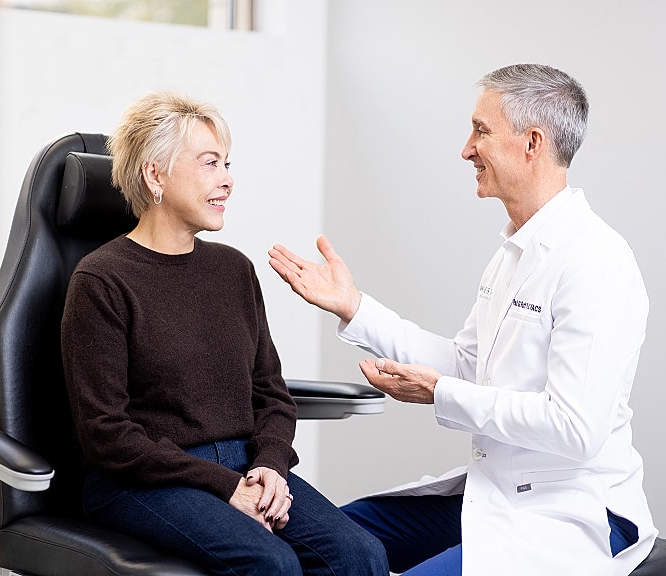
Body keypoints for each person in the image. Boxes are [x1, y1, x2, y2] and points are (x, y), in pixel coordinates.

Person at [268, 64, 657, 575]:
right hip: (499, 492)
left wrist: (441, 393)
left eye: (481, 130)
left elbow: (574, 429)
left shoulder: (595, 261)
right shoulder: (513, 254)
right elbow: (466, 363)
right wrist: (354, 307)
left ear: (532, 142)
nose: (466, 149)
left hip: (575, 509)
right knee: (328, 543)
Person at [60, 91, 388, 575]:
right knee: (268, 563)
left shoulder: (233, 270)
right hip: (141, 478)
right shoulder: (101, 280)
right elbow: (106, 435)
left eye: (227, 164)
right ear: (156, 175)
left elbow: (271, 393)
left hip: (245, 463)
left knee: (361, 554)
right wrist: (222, 484)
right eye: (210, 163)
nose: (228, 180)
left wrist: (271, 465)